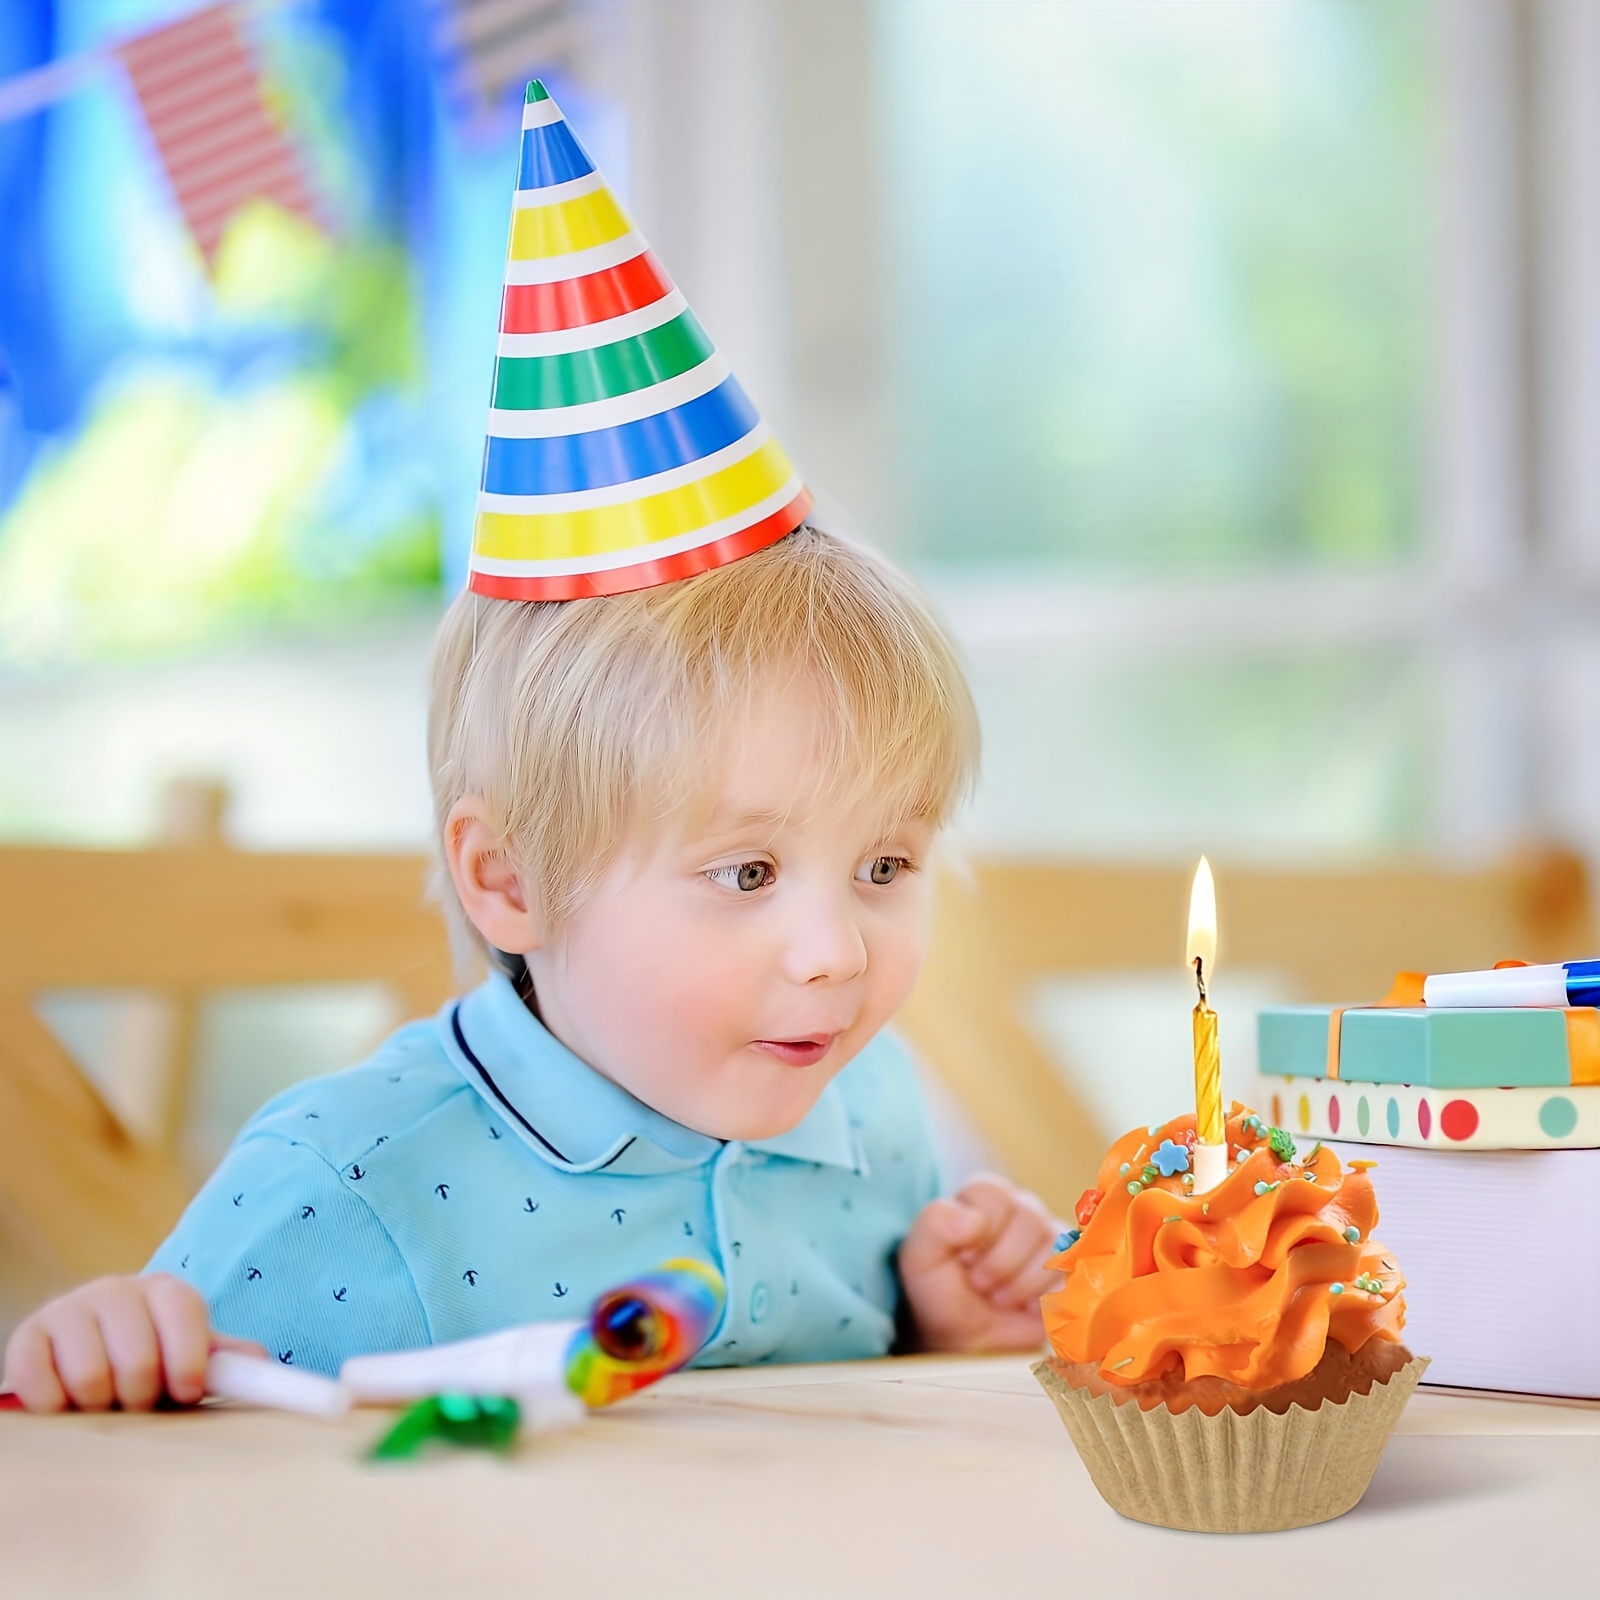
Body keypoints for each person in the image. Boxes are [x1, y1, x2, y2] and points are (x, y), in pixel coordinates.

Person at [1, 83, 1062, 1414]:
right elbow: (145, 1470)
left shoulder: (866, 1106)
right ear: (508, 881)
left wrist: (937, 1321)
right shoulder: (342, 1185)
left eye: (887, 863)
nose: (837, 952)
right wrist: (107, 1356)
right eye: (745, 873)